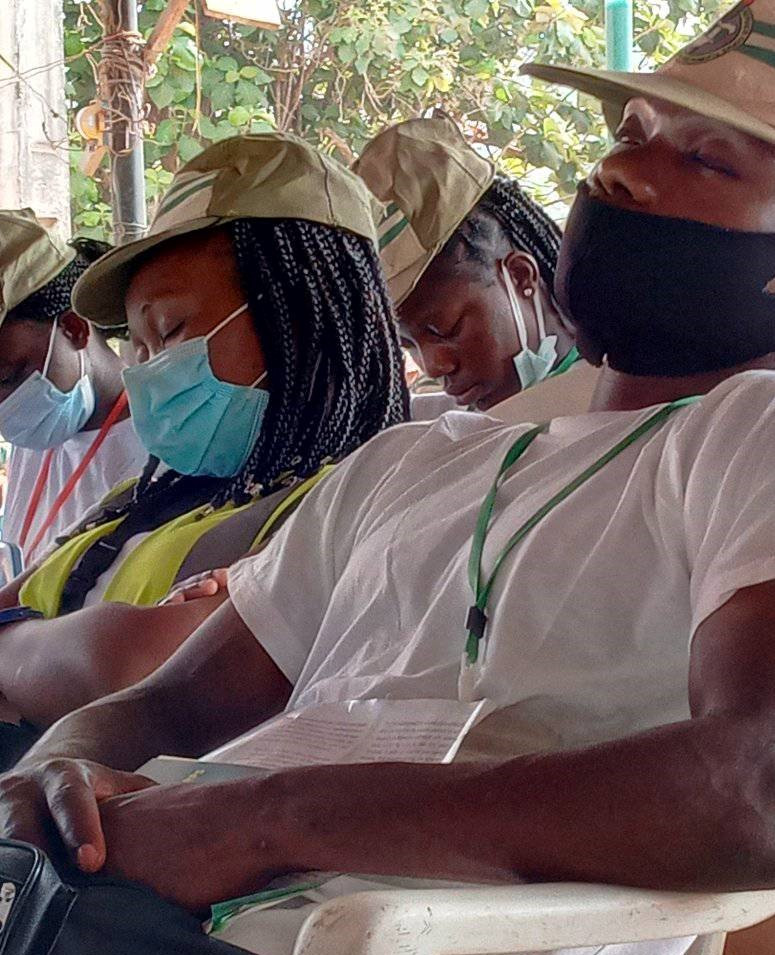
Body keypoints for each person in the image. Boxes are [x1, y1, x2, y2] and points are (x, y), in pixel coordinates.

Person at [5, 5, 775, 955]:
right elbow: (166, 707)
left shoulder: (747, 435)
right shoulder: (408, 460)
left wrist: (268, 819)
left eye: (705, 161)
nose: (617, 170)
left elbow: (755, 785)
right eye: (628, 134)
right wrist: (56, 772)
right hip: (138, 902)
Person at [0, 132, 406, 751]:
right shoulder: (145, 499)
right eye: (136, 344)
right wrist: (43, 650)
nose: (144, 370)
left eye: (170, 332)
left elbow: (132, 672)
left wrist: (18, 641)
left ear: (297, 318)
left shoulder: (357, 502)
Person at [354, 115, 596, 419]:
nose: (432, 366)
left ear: (521, 276)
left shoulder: (618, 409)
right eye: (409, 345)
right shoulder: (434, 430)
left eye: (447, 330)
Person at [0, 212, 145, 563]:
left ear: (74, 329)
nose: (4, 404)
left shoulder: (158, 446)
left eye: (7, 377)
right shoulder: (41, 435)